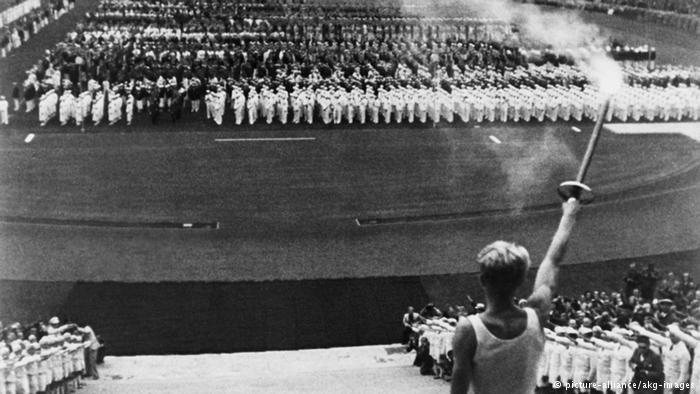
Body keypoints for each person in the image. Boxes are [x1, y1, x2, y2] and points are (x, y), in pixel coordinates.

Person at [451, 197, 580, 394]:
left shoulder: (468, 329)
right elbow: (553, 260)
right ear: (520, 280)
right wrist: (569, 215)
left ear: (483, 280)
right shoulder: (537, 315)